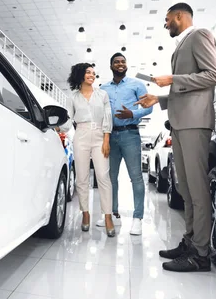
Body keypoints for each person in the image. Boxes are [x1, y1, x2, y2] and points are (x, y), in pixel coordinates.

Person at [135, 3, 216, 272]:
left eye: (167, 20)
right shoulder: (183, 44)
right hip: (181, 124)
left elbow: (214, 75)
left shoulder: (200, 36)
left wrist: (173, 78)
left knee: (197, 189)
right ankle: (190, 242)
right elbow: (186, 90)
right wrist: (159, 98)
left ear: (179, 16)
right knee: (185, 188)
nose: (165, 24)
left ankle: (200, 255)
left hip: (195, 124)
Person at [96, 53, 153, 236]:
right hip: (110, 137)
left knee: (136, 177)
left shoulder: (136, 84)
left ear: (126, 65)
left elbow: (149, 106)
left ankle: (137, 218)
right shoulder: (103, 88)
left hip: (130, 134)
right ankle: (113, 213)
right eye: (116, 62)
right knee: (110, 177)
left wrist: (133, 114)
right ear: (111, 66)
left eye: (123, 61)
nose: (120, 64)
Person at [58, 63, 115, 237]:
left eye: (93, 72)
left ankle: (108, 216)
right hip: (81, 136)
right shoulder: (73, 97)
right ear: (80, 75)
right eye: (88, 72)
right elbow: (68, 121)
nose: (92, 75)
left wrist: (106, 139)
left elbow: (108, 116)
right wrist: (57, 127)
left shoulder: (102, 94)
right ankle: (85, 213)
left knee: (103, 177)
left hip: (99, 136)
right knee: (81, 178)